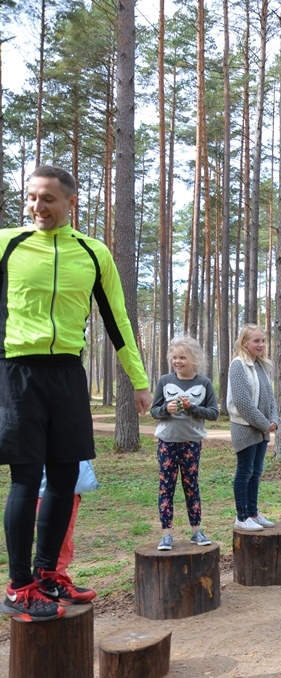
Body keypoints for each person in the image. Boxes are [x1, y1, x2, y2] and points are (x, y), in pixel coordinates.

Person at [0, 165, 151, 622]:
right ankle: (19, 585)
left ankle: (48, 574)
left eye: (47, 198)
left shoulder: (93, 252)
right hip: (16, 372)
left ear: (70, 203)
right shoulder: (8, 243)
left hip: (67, 373)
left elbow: (117, 319)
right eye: (31, 197)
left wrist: (138, 380)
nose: (37, 206)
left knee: (64, 480)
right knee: (26, 480)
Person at [150, 336, 219, 550]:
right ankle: (166, 535)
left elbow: (214, 413)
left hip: (191, 443)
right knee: (166, 488)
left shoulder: (204, 383)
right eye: (175, 357)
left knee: (191, 486)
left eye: (183, 358)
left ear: (194, 360)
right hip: (167, 443)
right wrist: (165, 410)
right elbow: (154, 411)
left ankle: (196, 531)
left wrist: (192, 408)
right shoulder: (164, 381)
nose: (178, 361)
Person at [227, 324, 279, 531]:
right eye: (256, 341)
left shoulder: (260, 365)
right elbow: (242, 402)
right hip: (245, 427)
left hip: (261, 429)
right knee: (245, 471)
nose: (261, 344)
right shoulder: (238, 365)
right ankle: (241, 516)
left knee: (256, 472)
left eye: (263, 340)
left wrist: (273, 419)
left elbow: (270, 397)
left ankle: (253, 514)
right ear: (244, 342)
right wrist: (265, 424)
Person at [36, 460, 100, 578]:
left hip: (66, 488)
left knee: (63, 540)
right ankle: (54, 580)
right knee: (58, 541)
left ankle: (58, 578)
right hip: (53, 490)